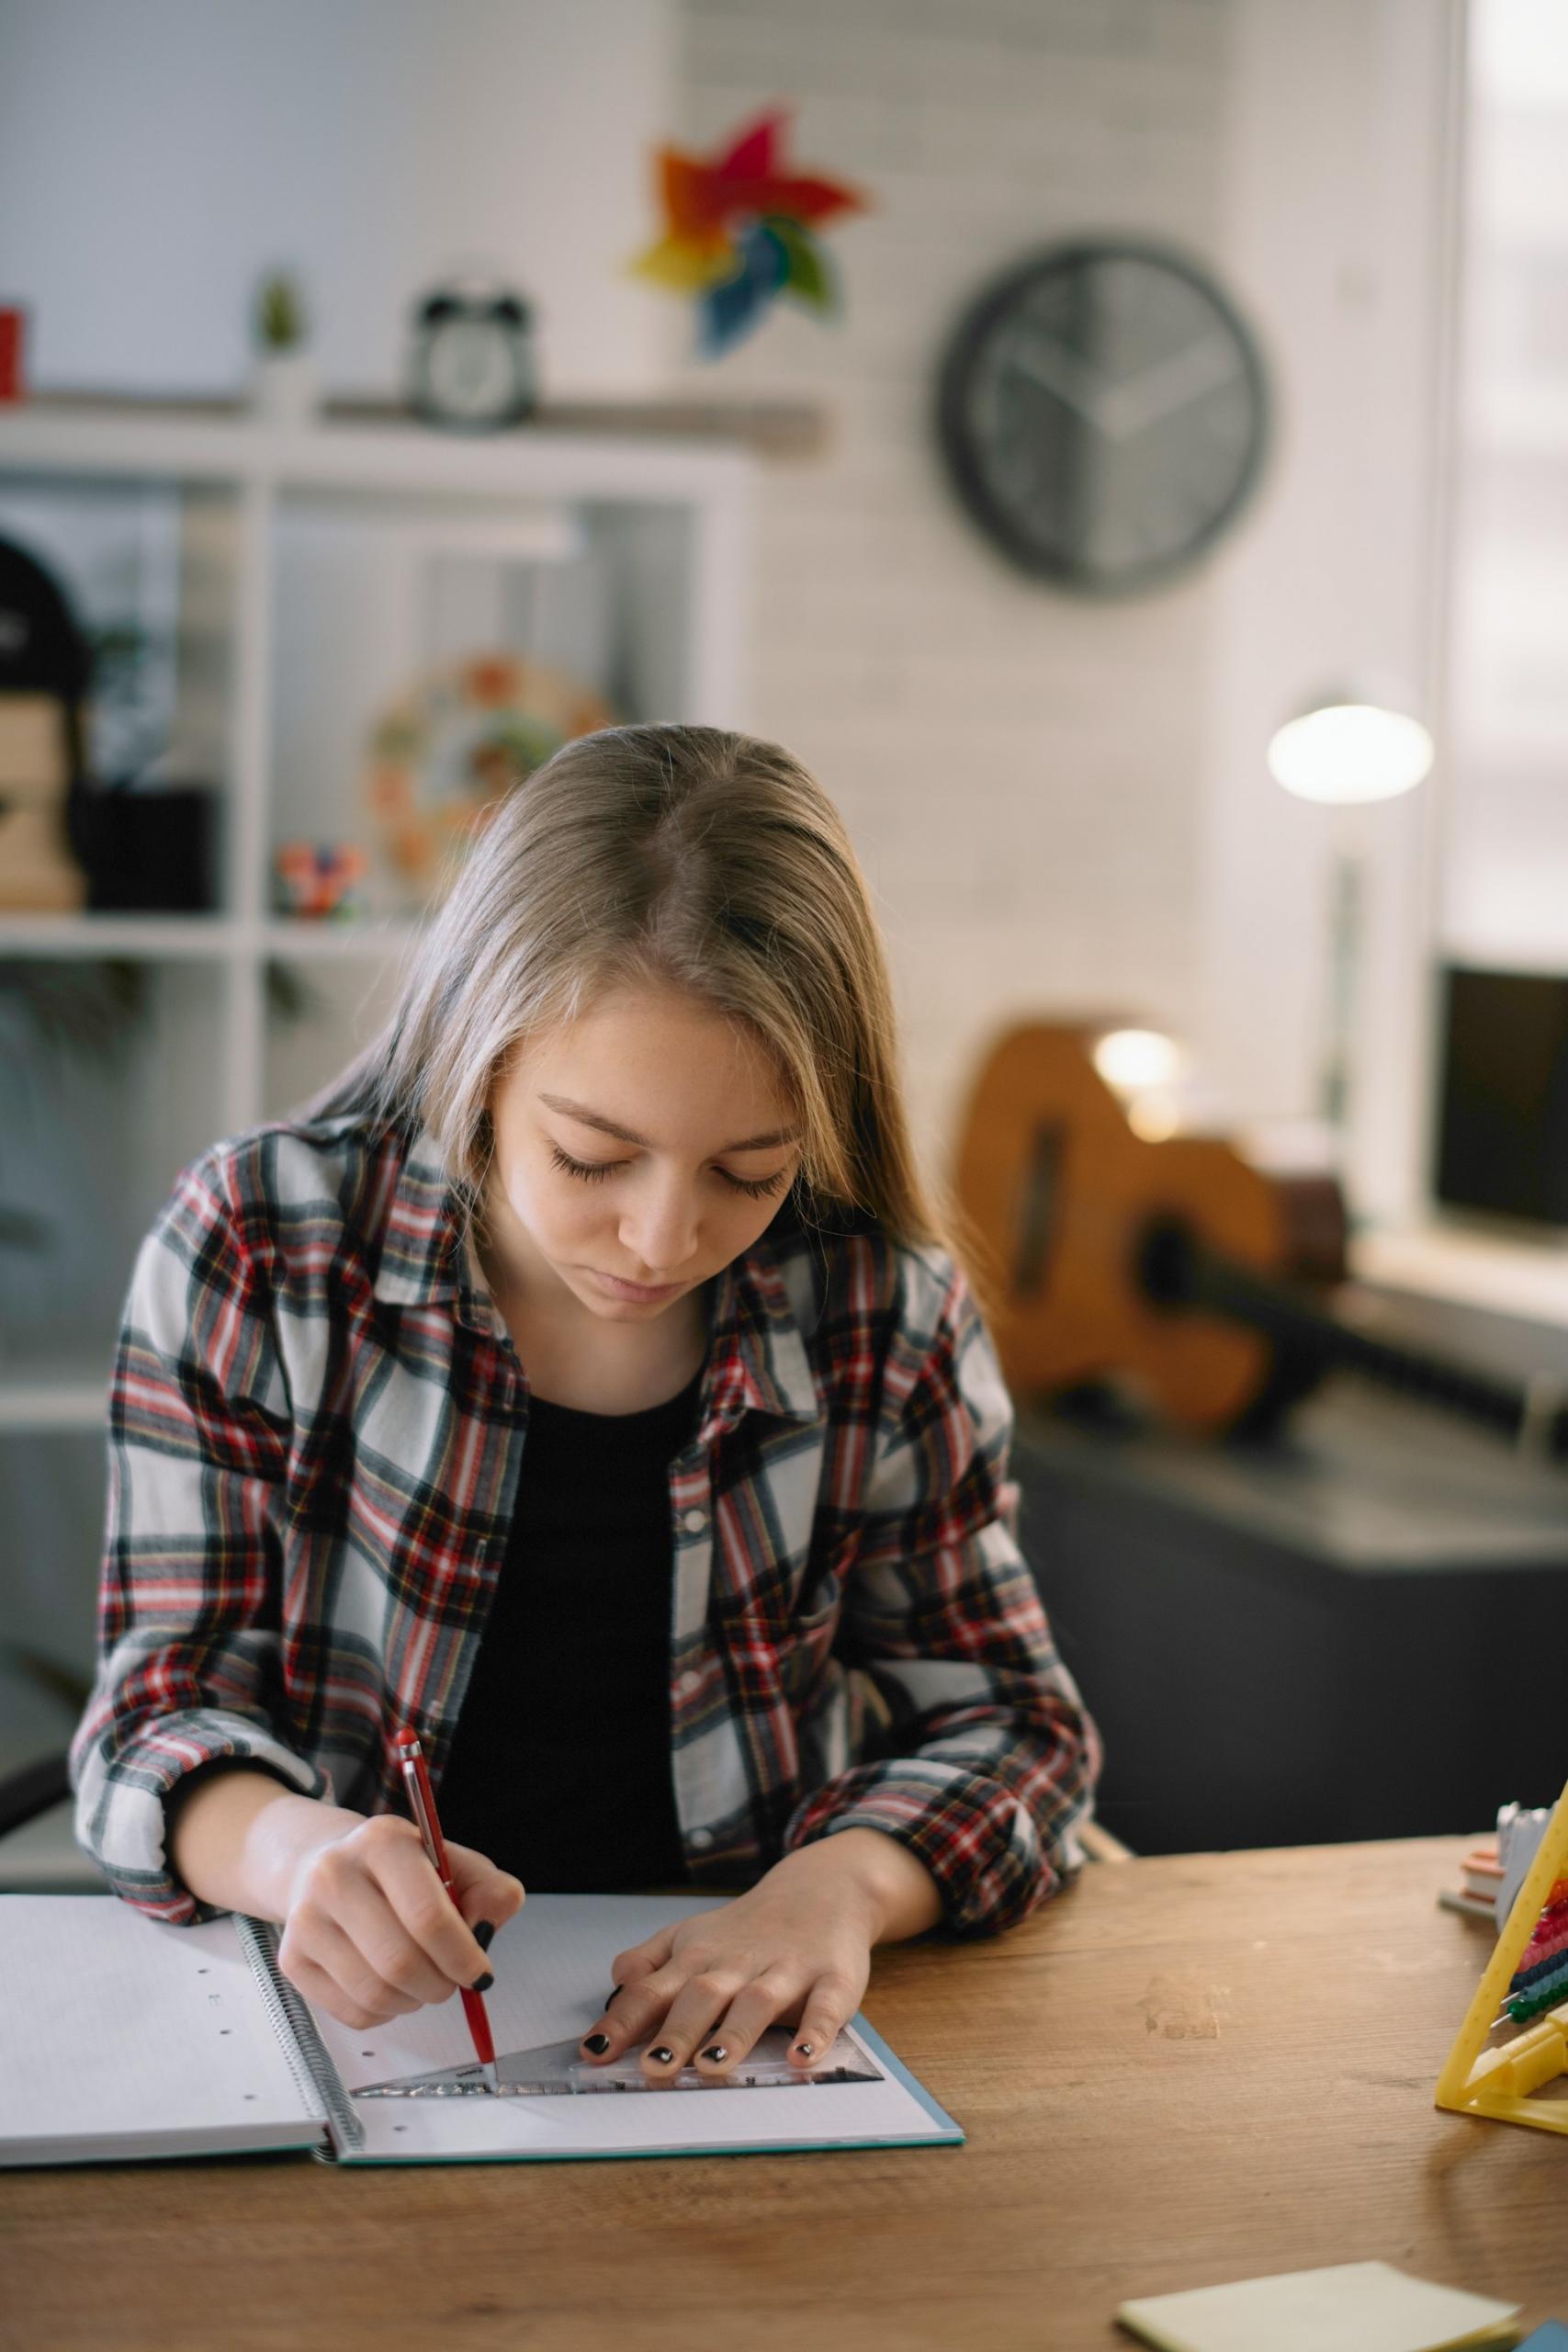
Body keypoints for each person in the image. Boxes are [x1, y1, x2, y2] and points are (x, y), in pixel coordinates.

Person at [70, 723, 1099, 2085]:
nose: (661, 1238)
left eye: (748, 1171)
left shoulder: (881, 1308)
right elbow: (154, 1714)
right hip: (348, 2033)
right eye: (592, 1155)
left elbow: (1015, 1728)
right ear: (476, 1061)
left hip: (737, 2045)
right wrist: (290, 1849)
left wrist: (836, 1890)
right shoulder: (263, 1247)